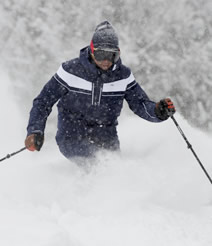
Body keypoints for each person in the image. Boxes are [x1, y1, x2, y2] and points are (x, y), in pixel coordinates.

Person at [25, 21, 175, 159]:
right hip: (71, 134)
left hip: (106, 135)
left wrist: (158, 111)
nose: (106, 61)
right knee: (96, 164)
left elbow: (140, 104)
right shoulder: (70, 71)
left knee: (114, 171)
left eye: (112, 55)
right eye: (101, 54)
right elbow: (43, 102)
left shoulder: (123, 76)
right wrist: (35, 130)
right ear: (91, 50)